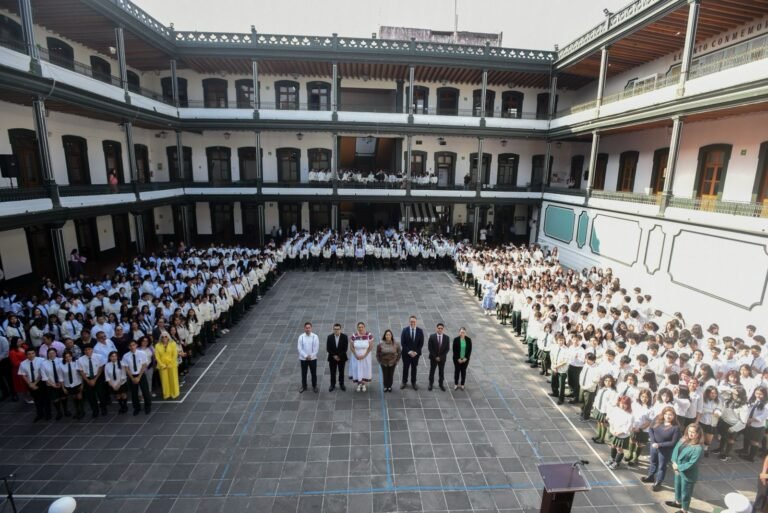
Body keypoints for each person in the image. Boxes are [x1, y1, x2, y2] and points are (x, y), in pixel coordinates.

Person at [666, 423, 705, 513]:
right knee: (677, 487)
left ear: (698, 434)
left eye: (693, 432)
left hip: (687, 474)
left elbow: (692, 463)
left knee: (686, 492)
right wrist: (674, 462)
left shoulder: (698, 448)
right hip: (678, 469)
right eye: (689, 431)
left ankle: (684, 509)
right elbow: (676, 450)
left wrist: (678, 467)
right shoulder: (683, 439)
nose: (690, 434)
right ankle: (678, 502)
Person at [642, 406, 682, 491]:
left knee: (661, 466)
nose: (668, 416)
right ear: (663, 414)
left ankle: (658, 483)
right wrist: (653, 442)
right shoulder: (657, 419)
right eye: (666, 414)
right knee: (653, 462)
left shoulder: (676, 427)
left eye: (670, 415)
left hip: (665, 450)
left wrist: (659, 445)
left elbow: (673, 442)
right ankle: (650, 477)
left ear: (674, 416)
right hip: (654, 447)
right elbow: (651, 429)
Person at [122, 339, 151, 415]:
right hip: (132, 375)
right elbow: (126, 368)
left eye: (133, 345)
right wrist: (132, 378)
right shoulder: (126, 356)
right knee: (134, 393)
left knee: (145, 391)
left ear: (136, 345)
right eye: (130, 346)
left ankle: (147, 406)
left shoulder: (142, 353)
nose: (132, 347)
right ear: (128, 347)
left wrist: (139, 377)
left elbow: (144, 365)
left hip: (141, 374)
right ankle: (136, 408)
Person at [18, 347, 48, 421]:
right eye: (29, 354)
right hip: (30, 383)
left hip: (41, 382)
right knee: (36, 400)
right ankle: (39, 414)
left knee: (44, 399)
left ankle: (48, 414)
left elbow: (41, 373)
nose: (31, 355)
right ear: (26, 355)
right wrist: (30, 384)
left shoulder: (41, 360)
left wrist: (35, 383)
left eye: (32, 353)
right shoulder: (23, 363)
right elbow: (23, 375)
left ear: (35, 353)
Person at [605, 395, 634, 469]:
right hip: (614, 432)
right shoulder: (617, 411)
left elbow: (628, 428)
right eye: (622, 403)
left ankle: (617, 462)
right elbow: (611, 421)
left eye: (625, 404)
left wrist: (619, 433)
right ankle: (612, 458)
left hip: (622, 435)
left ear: (628, 405)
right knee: (613, 445)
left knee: (619, 449)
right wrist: (612, 429)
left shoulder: (630, 416)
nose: (623, 405)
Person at [78, 344, 105, 418]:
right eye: (86, 350)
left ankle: (103, 409)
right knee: (91, 396)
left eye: (89, 349)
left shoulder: (99, 357)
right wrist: (88, 381)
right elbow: (81, 371)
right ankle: (95, 411)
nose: (87, 351)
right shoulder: (80, 360)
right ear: (84, 351)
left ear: (92, 350)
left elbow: (101, 368)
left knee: (101, 394)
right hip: (87, 379)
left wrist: (95, 379)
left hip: (97, 377)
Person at [400, 315, 424, 390]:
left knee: (414, 368)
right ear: (409, 322)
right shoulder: (405, 330)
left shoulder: (420, 331)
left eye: (414, 321)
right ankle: (404, 382)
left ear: (416, 322)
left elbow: (421, 343)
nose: (412, 323)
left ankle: (413, 382)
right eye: (411, 321)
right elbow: (403, 343)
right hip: (406, 354)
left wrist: (416, 352)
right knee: (405, 368)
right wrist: (409, 352)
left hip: (415, 355)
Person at [349, 322, 374, 392]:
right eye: (359, 327)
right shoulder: (354, 336)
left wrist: (365, 355)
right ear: (357, 328)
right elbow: (351, 347)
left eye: (362, 327)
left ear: (364, 327)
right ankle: (359, 384)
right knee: (357, 369)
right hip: (356, 357)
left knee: (365, 369)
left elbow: (371, 347)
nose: (360, 328)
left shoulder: (369, 335)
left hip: (366, 357)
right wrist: (355, 355)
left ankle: (363, 384)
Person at [155, 332, 180, 400]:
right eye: (162, 337)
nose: (164, 338)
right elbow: (157, 357)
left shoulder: (173, 344)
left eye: (166, 336)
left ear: (168, 337)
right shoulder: (157, 345)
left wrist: (170, 364)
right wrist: (162, 364)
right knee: (164, 381)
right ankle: (166, 394)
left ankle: (174, 393)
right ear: (160, 338)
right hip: (162, 366)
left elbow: (174, 355)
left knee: (173, 379)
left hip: (172, 365)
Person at [60, 350, 83, 419]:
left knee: (79, 397)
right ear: (64, 358)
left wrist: (82, 384)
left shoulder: (76, 363)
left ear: (71, 356)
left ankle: (82, 412)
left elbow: (81, 374)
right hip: (69, 385)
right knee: (74, 398)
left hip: (77, 383)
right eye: (66, 357)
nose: (68, 358)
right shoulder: (62, 366)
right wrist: (63, 388)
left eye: (69, 356)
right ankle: (77, 411)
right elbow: (61, 377)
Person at [298, 321, 319, 393]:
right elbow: (299, 348)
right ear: (304, 328)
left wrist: (311, 356)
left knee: (314, 373)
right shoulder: (301, 337)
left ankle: (314, 386)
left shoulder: (315, 337)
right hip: (303, 359)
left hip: (313, 359)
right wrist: (306, 356)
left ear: (311, 328)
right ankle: (304, 386)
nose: (308, 329)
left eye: (309, 328)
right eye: (306, 328)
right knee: (304, 373)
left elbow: (316, 348)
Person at [428, 323, 450, 391]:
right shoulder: (432, 337)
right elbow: (430, 348)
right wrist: (435, 357)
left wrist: (440, 357)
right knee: (432, 371)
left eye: (441, 328)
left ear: (443, 329)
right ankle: (430, 384)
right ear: (436, 328)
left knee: (441, 372)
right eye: (439, 328)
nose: (440, 329)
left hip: (442, 359)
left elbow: (447, 349)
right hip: (433, 358)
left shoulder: (446, 338)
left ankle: (441, 384)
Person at [326, 323, 348, 392]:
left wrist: (339, 356)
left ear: (340, 329)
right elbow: (328, 348)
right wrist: (334, 356)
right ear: (333, 329)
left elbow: (345, 349)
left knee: (341, 372)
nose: (336, 330)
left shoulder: (344, 337)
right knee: (332, 372)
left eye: (338, 329)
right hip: (332, 358)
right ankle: (332, 384)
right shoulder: (329, 337)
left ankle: (342, 384)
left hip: (342, 358)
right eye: (335, 329)